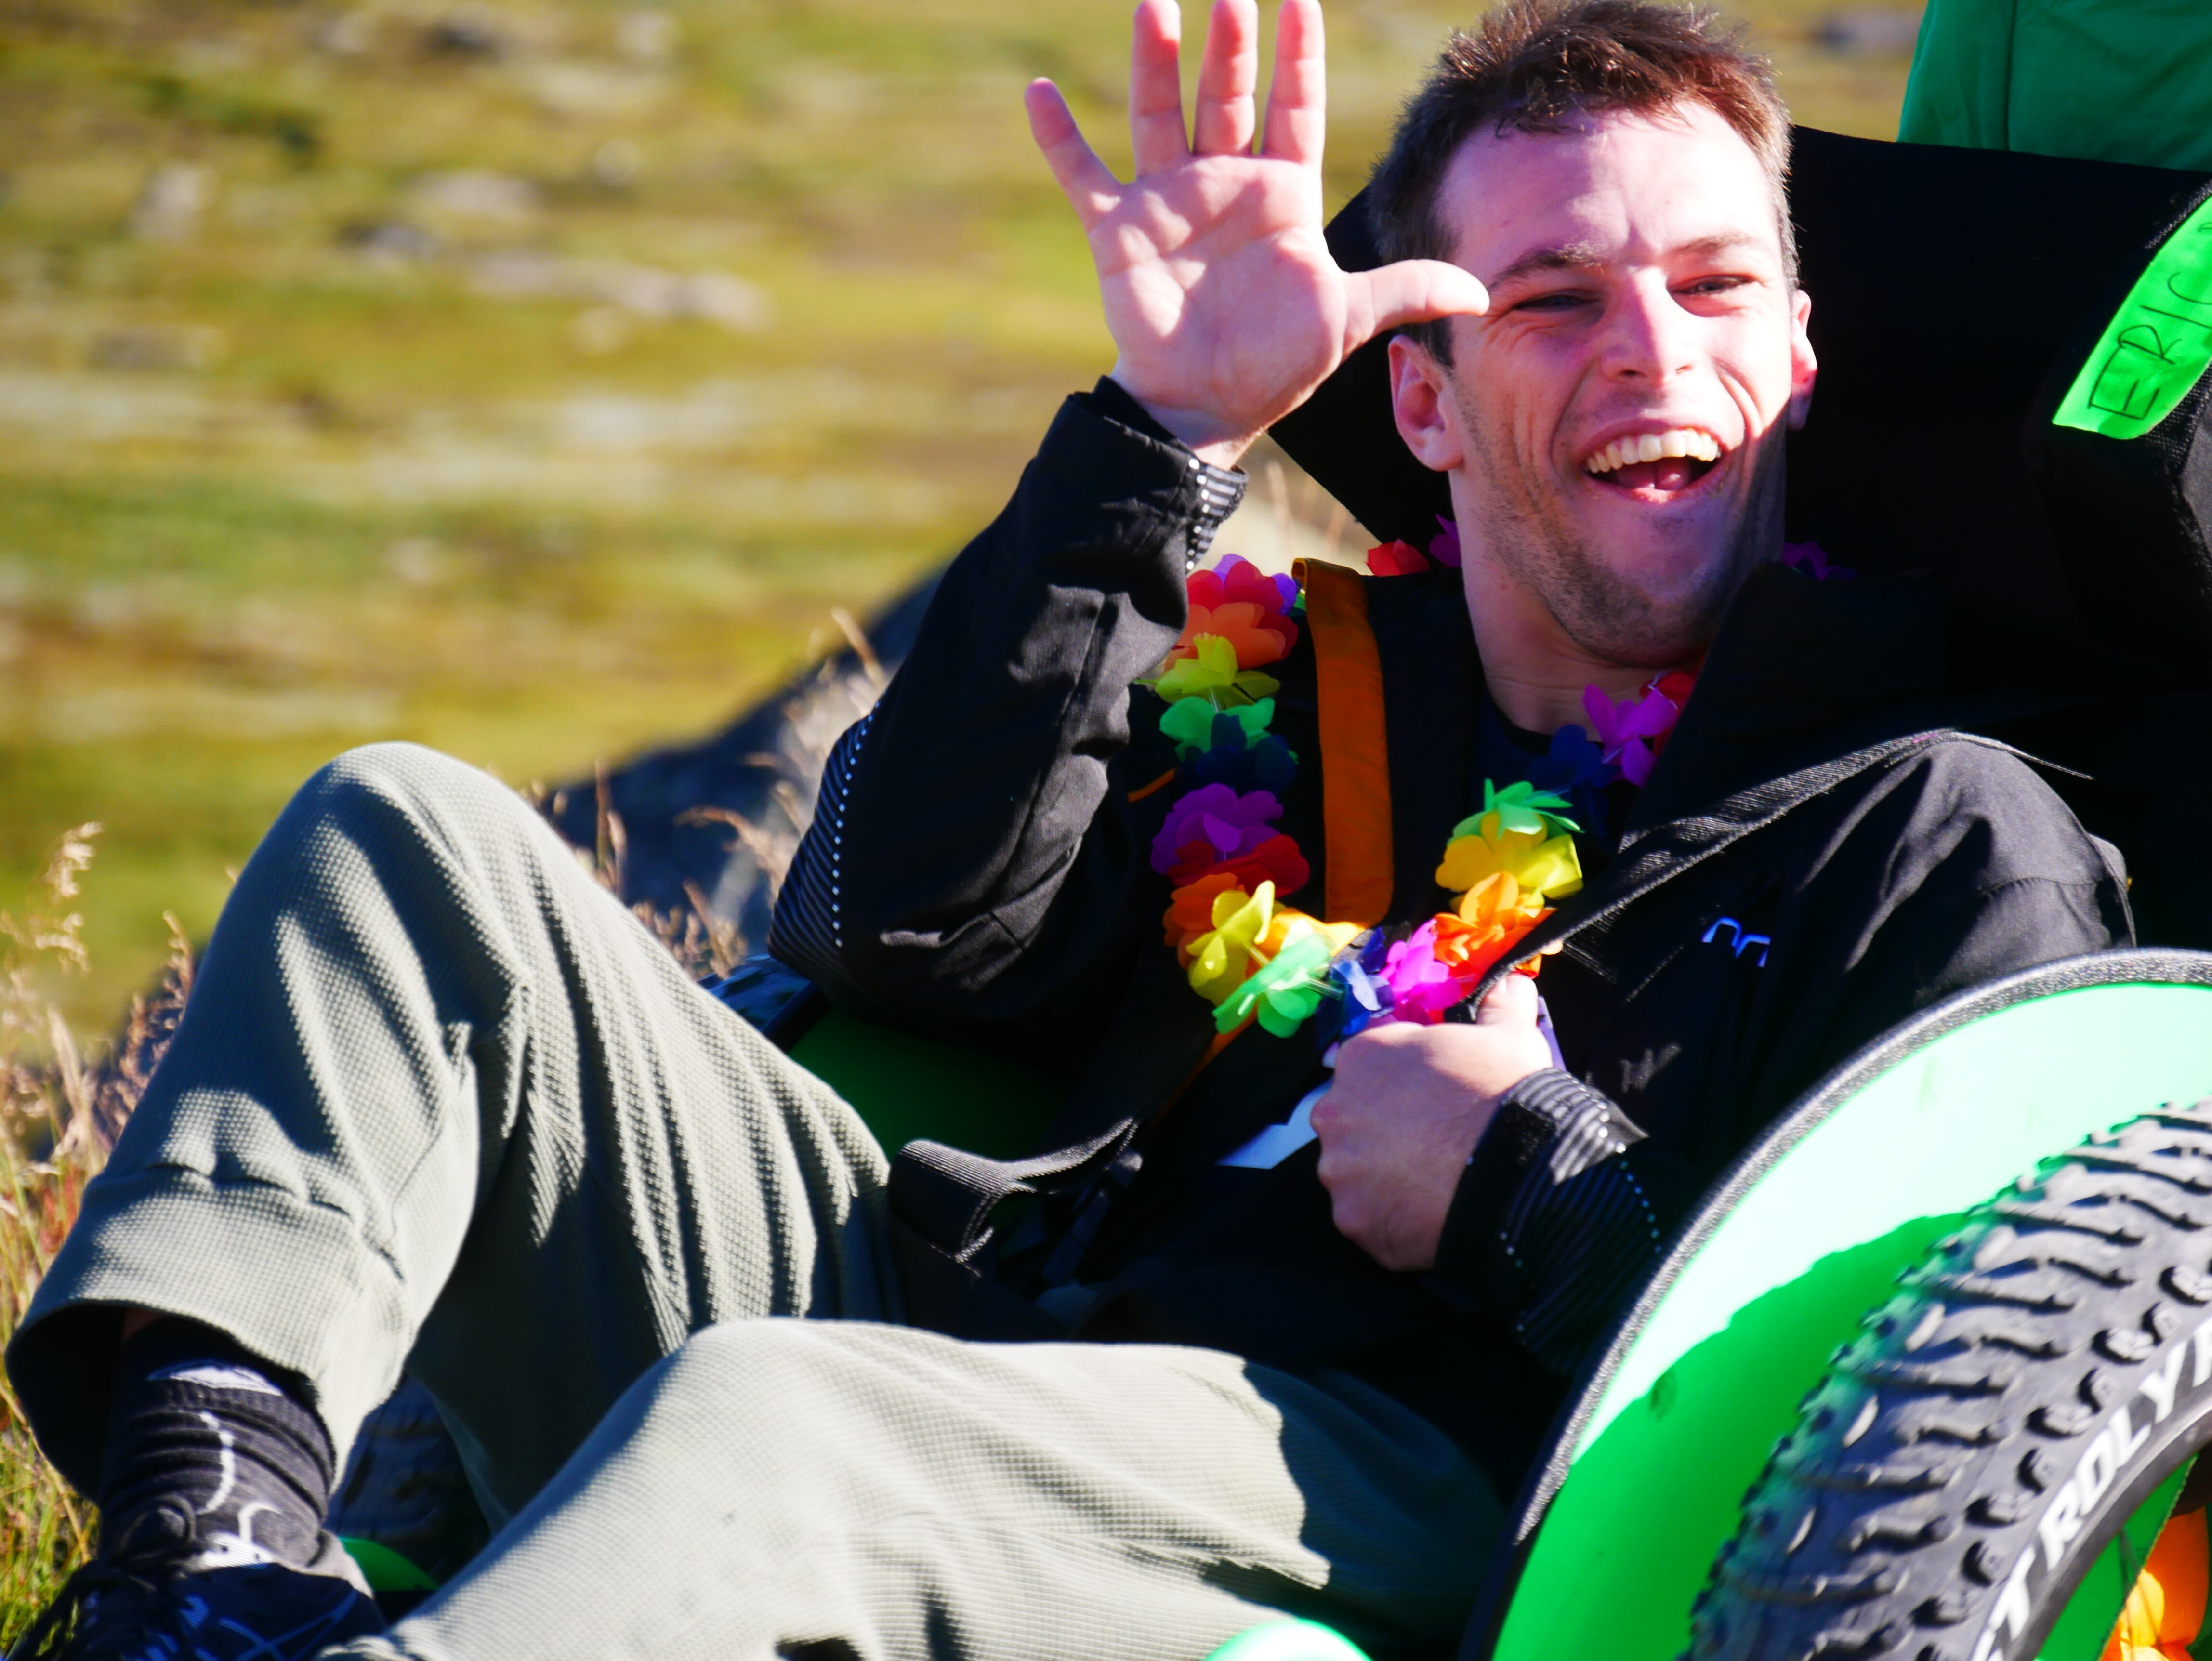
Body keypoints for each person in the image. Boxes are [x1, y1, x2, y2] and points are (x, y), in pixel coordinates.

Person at [6, 2, 2132, 1659]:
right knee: (407, 844)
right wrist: (1162, 440)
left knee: (784, 1410)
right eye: (1552, 301)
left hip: (1395, 1470)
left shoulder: (1931, 819)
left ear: (1796, 343)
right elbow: (890, 926)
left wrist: (1529, 1185)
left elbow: (1929, 1399)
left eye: (1711, 285)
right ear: (1419, 394)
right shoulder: (1289, 697)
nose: (1648, 349)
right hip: (995, 1291)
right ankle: (202, 1576)